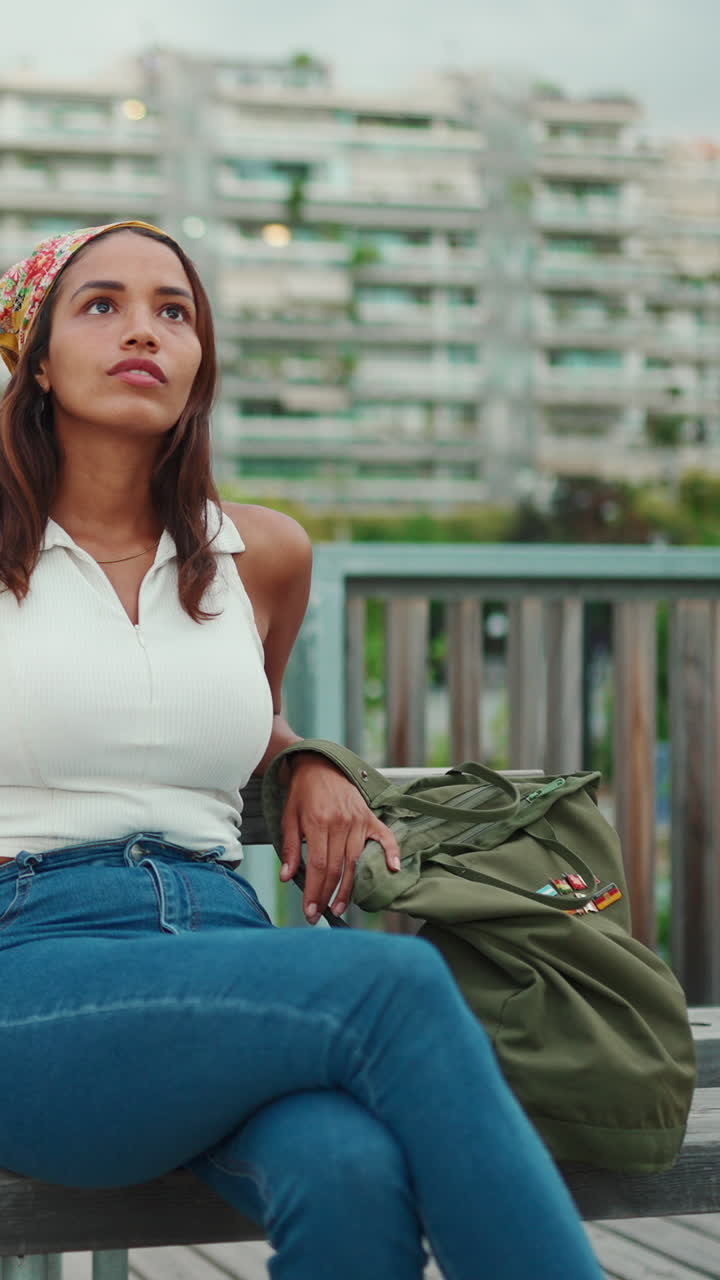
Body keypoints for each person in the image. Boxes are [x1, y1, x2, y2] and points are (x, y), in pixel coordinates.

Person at [0, 221, 603, 1280]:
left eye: (173, 311)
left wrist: (309, 755)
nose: (144, 328)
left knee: (350, 1166)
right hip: (35, 973)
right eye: (102, 304)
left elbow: (241, 718)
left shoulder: (260, 555)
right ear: (36, 359)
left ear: (201, 363)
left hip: (216, 941)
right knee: (394, 984)